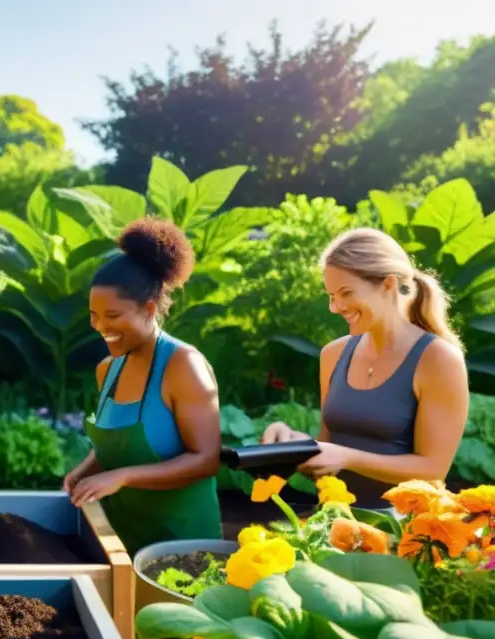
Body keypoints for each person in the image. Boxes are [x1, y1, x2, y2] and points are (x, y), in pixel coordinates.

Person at [261, 227, 470, 509]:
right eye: (331, 295)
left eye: (345, 293)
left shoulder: (438, 359)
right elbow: (329, 449)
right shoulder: (333, 354)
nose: (335, 307)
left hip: (405, 530)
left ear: (388, 284)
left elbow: (432, 470)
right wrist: (290, 443)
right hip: (334, 523)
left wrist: (348, 457)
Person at [63, 217, 223, 555]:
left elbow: (206, 460)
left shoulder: (183, 365)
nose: (101, 326)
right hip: (121, 538)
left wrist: (120, 478)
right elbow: (117, 446)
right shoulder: (108, 370)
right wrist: (85, 470)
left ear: (149, 309)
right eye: (94, 315)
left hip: (182, 544)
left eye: (113, 315)